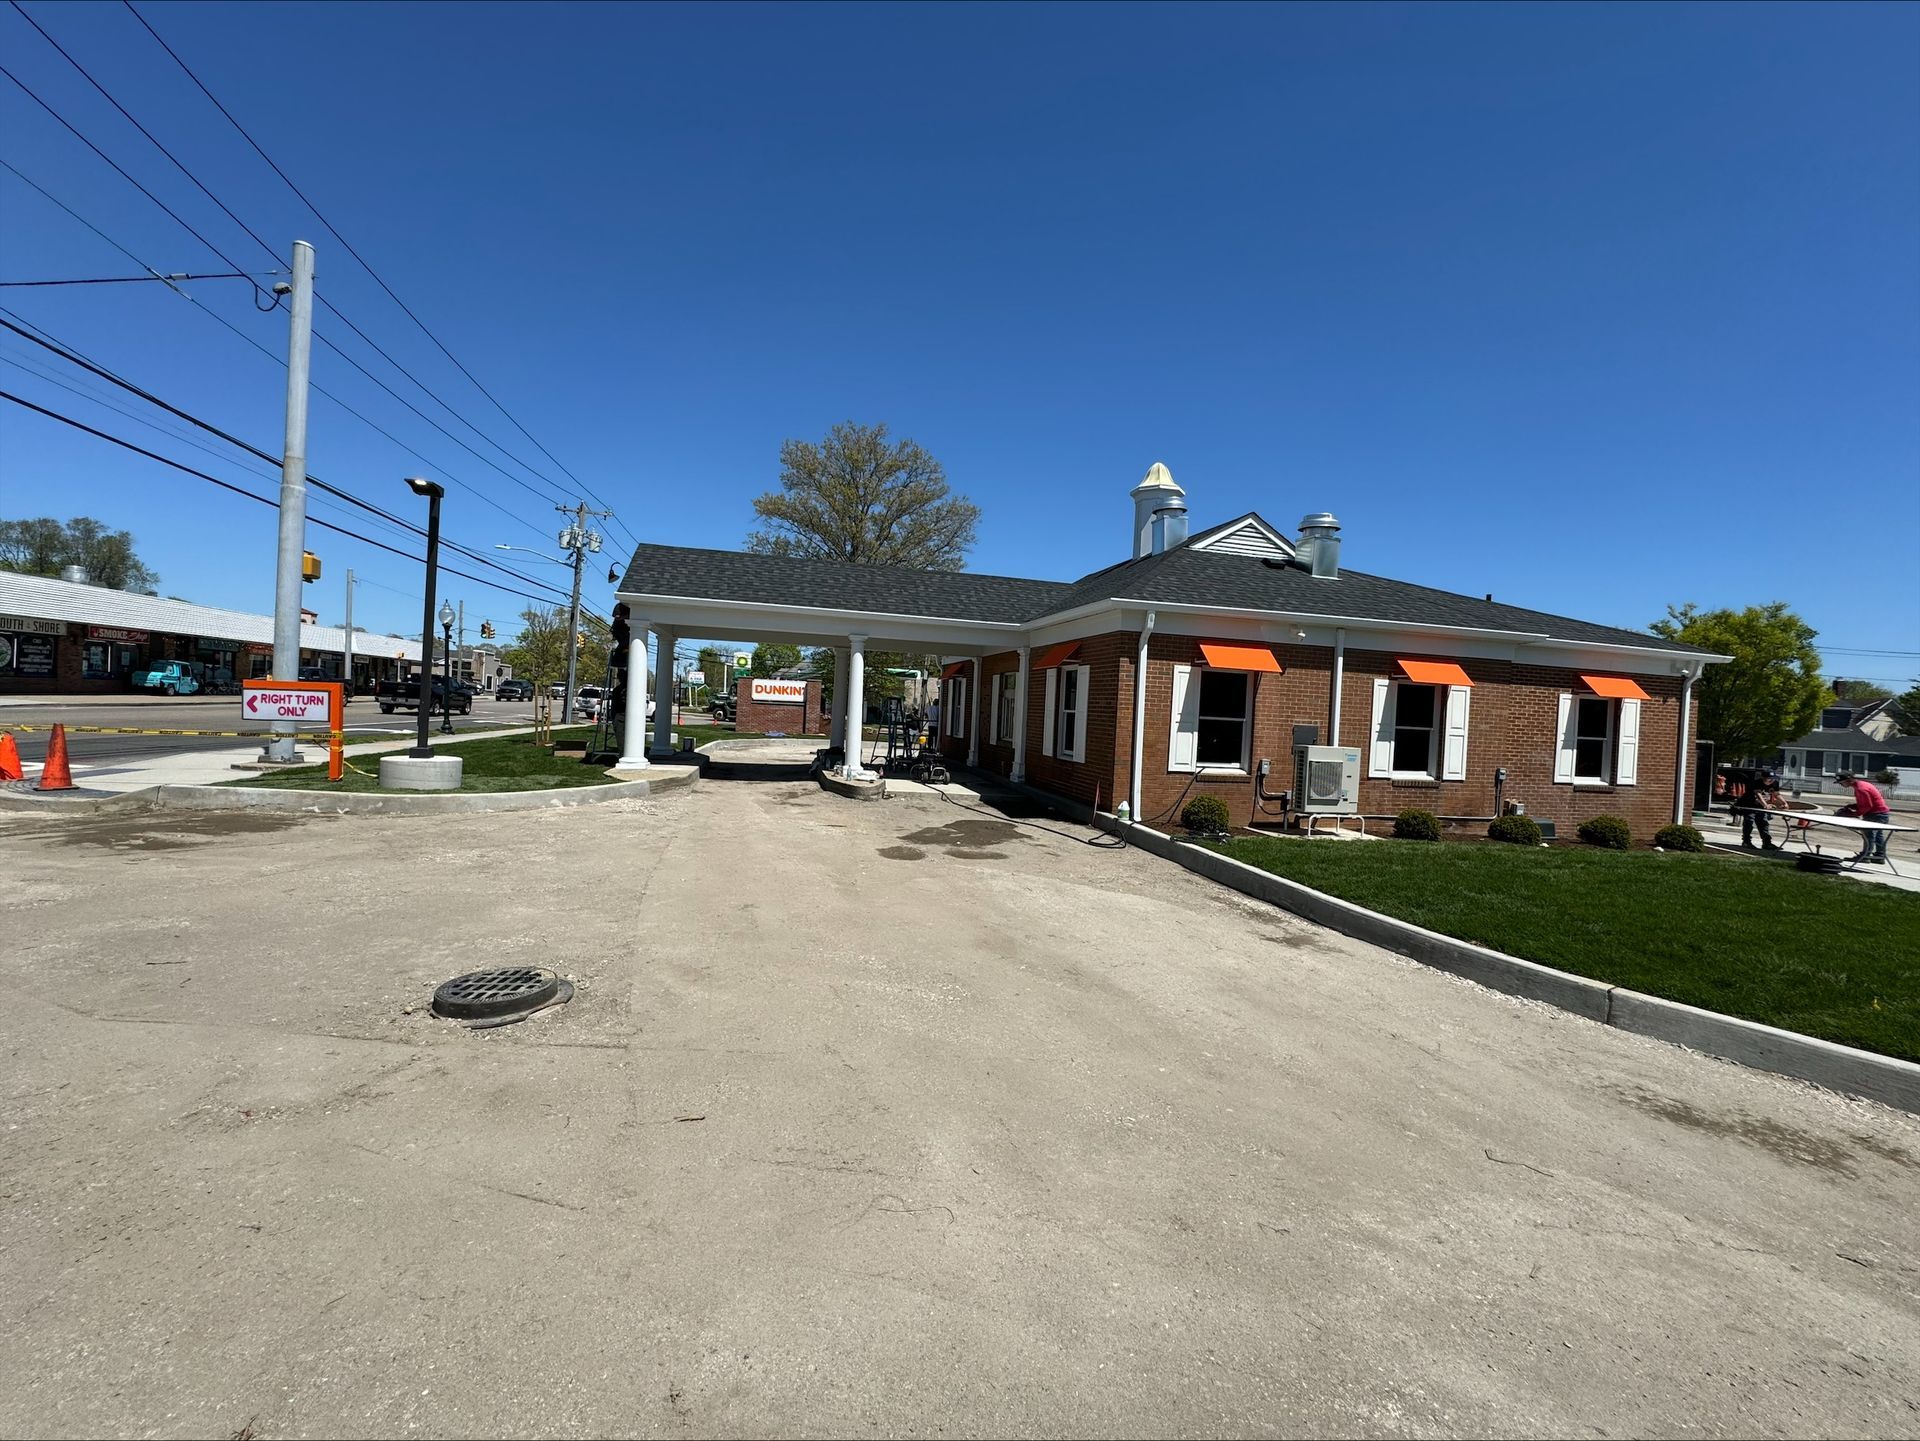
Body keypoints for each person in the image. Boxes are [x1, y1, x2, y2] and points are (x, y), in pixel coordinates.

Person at [1834, 772, 1893, 864]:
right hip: (1881, 813)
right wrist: (1854, 806)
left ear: (1848, 780)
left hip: (1875, 813)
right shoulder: (1862, 785)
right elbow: (1866, 803)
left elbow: (1867, 806)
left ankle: (1865, 856)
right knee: (1878, 835)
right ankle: (1880, 856)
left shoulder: (1861, 789)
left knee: (1868, 835)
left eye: (1841, 783)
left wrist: (1854, 814)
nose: (1841, 785)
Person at [1738, 771, 1786, 853]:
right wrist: (1765, 805)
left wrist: (1784, 803)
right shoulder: (1756, 783)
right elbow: (1758, 795)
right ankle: (1746, 841)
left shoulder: (1775, 783)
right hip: (1750, 805)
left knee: (1763, 823)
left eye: (1772, 778)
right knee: (1749, 822)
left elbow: (1777, 794)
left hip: (1761, 807)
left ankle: (1767, 843)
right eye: (1769, 778)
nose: (1771, 780)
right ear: (1763, 778)